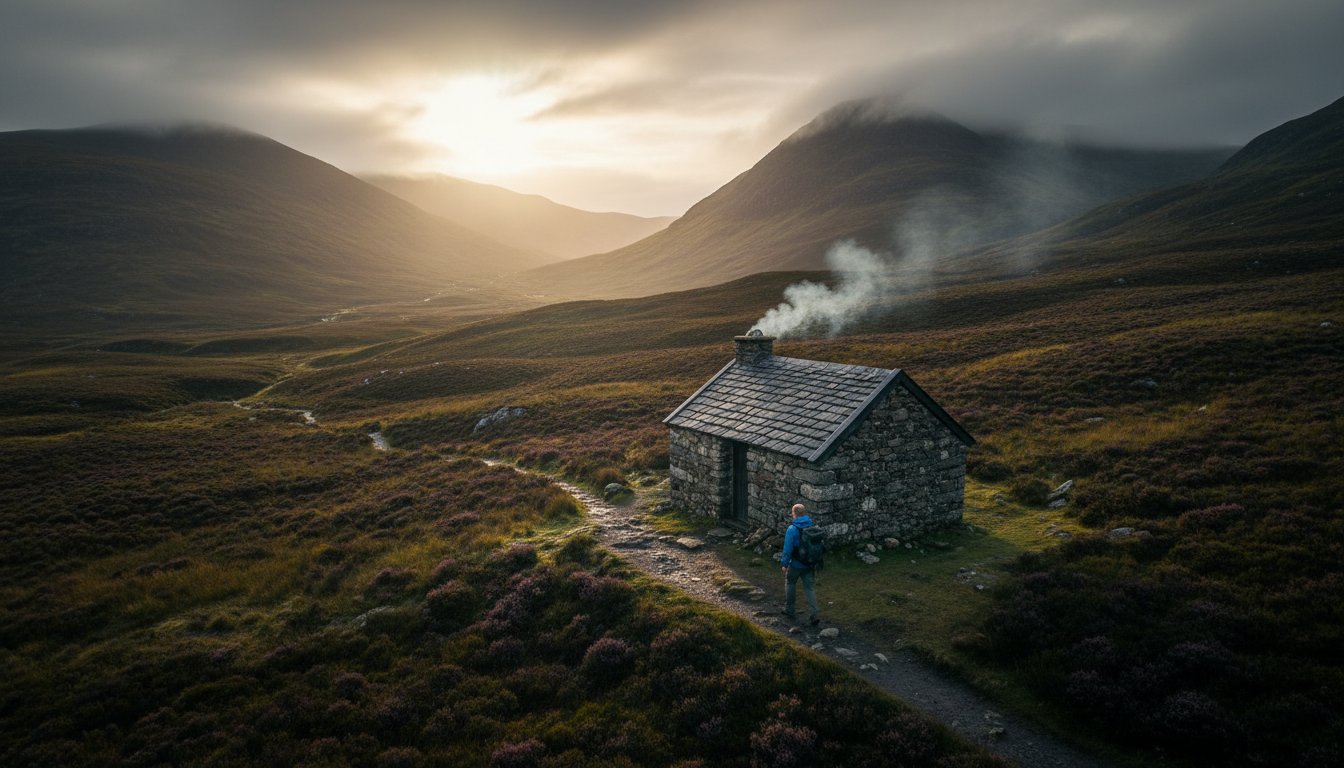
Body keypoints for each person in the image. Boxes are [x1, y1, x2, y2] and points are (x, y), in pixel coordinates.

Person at [779, 503, 820, 626]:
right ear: (804, 513)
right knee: (809, 588)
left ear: (794, 513)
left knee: (790, 583)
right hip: (810, 563)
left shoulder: (792, 529)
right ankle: (814, 614)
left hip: (796, 564)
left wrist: (784, 564)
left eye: (792, 513)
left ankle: (789, 610)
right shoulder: (813, 526)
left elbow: (787, 549)